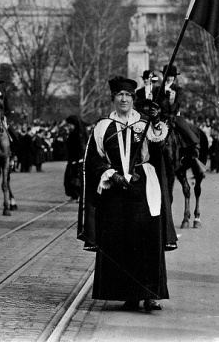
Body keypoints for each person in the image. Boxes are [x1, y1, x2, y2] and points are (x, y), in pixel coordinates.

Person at [78, 76, 177, 312]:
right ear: (112, 98)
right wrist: (111, 174)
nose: (124, 99)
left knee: (147, 240)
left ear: (134, 99)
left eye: (128, 95)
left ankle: (151, 295)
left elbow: (158, 149)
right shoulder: (103, 127)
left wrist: (154, 120)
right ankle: (129, 294)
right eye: (120, 95)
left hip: (143, 186)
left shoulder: (144, 124)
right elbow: (93, 158)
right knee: (121, 242)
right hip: (115, 189)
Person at [155, 64, 206, 181]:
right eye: (167, 75)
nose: (169, 78)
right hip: (160, 118)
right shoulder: (157, 89)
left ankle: (194, 152)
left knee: (185, 129)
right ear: (164, 75)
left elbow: (177, 105)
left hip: (174, 116)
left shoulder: (178, 90)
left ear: (174, 78)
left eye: (172, 76)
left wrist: (172, 102)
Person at [62, 115, 87, 201]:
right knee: (70, 179)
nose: (68, 127)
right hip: (72, 160)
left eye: (69, 125)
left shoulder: (78, 135)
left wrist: (79, 158)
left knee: (76, 179)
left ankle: (78, 195)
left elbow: (81, 148)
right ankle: (74, 195)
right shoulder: (72, 134)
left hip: (77, 161)